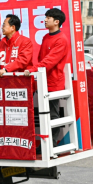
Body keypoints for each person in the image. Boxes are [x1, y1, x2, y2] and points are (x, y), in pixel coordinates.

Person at [29, 8, 70, 145]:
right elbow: (42, 59)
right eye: (46, 17)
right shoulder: (46, 37)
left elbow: (49, 61)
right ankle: (45, 143)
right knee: (42, 115)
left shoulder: (61, 39)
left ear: (56, 21)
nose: (45, 20)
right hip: (42, 81)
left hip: (53, 83)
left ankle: (51, 144)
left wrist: (33, 70)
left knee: (52, 114)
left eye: (48, 18)